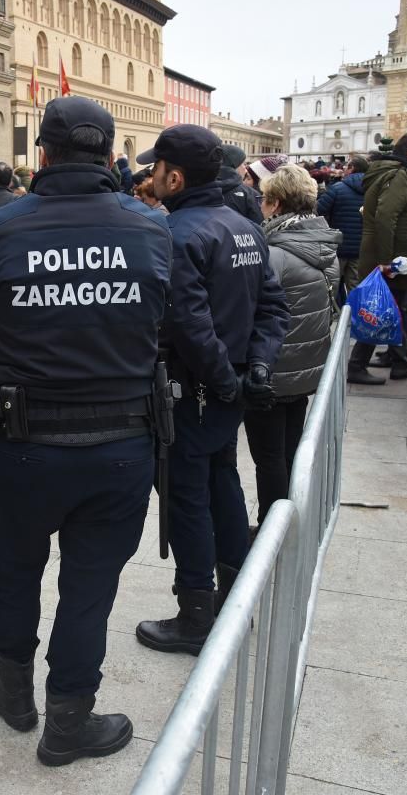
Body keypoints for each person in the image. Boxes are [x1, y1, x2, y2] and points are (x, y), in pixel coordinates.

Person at [0, 97, 171, 766]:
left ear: (43, 156)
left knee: (15, 570)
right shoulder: (149, 228)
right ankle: (66, 722)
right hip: (119, 447)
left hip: (23, 447)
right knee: (89, 590)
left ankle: (19, 695)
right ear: (111, 156)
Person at [133, 124, 288, 656]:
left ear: (175, 177)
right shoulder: (243, 226)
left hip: (196, 390)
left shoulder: (175, 233)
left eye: (156, 170)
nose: (152, 177)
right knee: (222, 480)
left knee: (186, 496)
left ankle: (197, 611)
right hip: (227, 386)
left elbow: (190, 325)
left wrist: (227, 382)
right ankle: (231, 591)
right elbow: (272, 308)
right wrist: (255, 372)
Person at [247, 165, 340, 523]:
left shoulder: (275, 251)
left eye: (264, 199)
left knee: (269, 456)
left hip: (274, 367)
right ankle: (295, 517)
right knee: (289, 449)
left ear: (276, 204)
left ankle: (274, 526)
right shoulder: (323, 242)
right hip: (305, 365)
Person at [348, 133, 407, 385]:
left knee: (395, 307)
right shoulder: (400, 176)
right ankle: (357, 365)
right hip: (391, 257)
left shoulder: (395, 174)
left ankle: (400, 361)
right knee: (382, 308)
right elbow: (385, 216)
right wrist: (386, 261)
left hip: (394, 255)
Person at [317, 154, 368, 303]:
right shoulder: (373, 189)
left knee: (332, 284)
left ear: (352, 168)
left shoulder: (338, 188)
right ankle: (355, 318)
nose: (344, 169)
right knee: (355, 285)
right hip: (360, 247)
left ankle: (333, 314)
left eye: (347, 166)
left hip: (338, 245)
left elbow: (319, 210)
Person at [217, 144, 262, 223]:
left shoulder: (201, 189)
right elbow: (258, 225)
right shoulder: (249, 194)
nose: (245, 169)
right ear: (234, 165)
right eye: (242, 163)